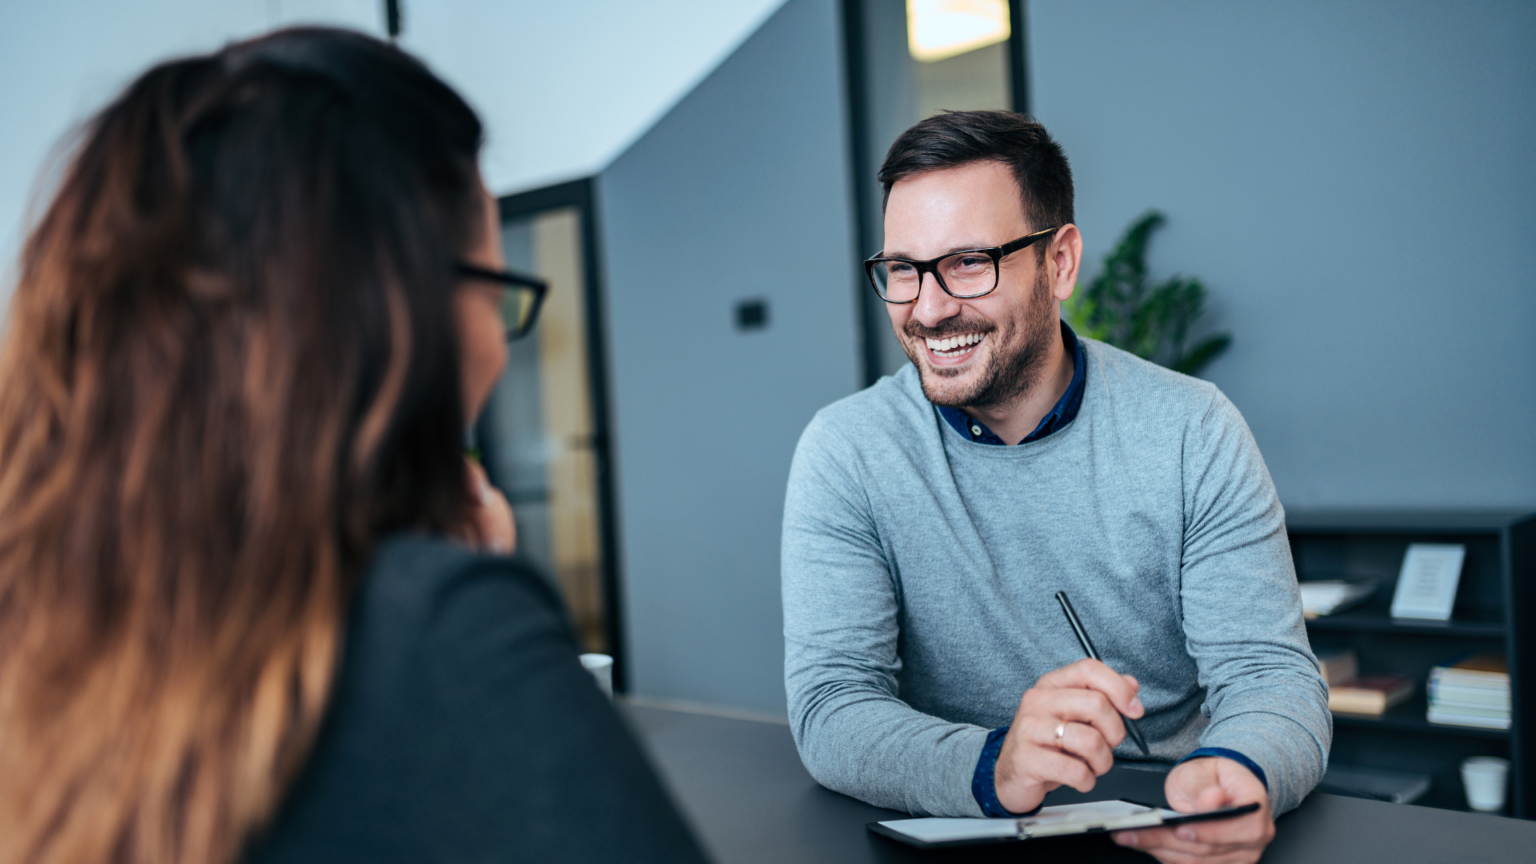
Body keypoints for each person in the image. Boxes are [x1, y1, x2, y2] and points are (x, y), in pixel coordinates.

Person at [0, 28, 708, 864]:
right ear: (397, 315)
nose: (499, 347)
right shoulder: (442, 637)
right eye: (496, 290)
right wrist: (457, 595)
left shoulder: (43, 614)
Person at [781, 110, 1329, 864]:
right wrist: (993, 764)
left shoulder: (1191, 429)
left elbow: (1269, 677)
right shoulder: (847, 452)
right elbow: (833, 707)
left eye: (969, 261)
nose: (929, 307)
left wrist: (1236, 774)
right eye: (903, 269)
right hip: (965, 829)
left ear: (1061, 262)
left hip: (1169, 830)